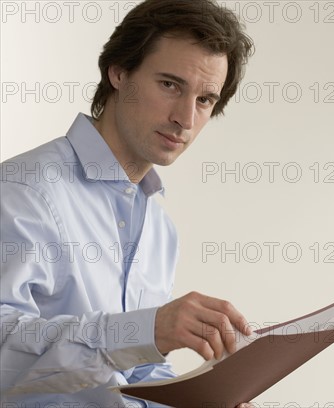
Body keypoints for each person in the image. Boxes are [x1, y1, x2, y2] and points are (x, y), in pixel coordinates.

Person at [0, 0, 255, 406]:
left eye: (205, 99)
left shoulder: (158, 225)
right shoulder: (21, 191)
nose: (186, 119)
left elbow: (135, 374)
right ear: (118, 72)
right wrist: (145, 331)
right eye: (170, 85)